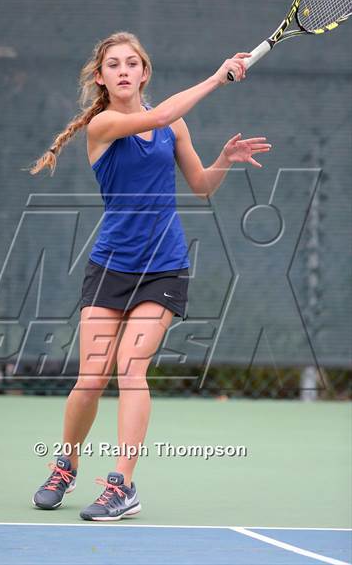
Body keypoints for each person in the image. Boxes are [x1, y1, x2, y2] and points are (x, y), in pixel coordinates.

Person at [28, 31, 271, 521]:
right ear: (101, 77)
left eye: (131, 63)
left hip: (164, 267)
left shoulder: (173, 127)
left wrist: (222, 161)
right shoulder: (105, 124)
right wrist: (218, 77)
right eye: (112, 64)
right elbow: (158, 115)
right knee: (90, 380)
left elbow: (200, 186)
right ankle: (66, 463)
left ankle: (122, 485)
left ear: (144, 73)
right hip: (110, 266)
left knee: (131, 369)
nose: (122, 70)